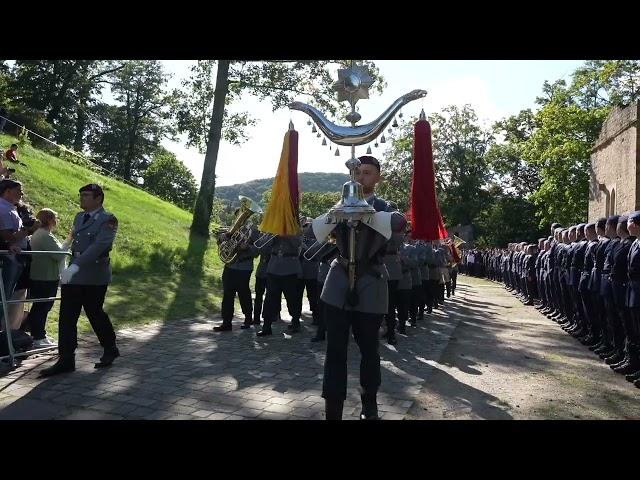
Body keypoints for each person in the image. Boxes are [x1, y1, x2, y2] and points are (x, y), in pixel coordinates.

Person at [321, 155, 406, 420]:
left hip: (371, 281)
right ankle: (332, 408)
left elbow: (397, 231)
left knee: (369, 348)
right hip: (339, 279)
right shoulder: (340, 203)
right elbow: (317, 232)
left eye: (367, 173)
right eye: (358, 173)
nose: (361, 177)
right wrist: (341, 210)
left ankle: (369, 402)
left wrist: (364, 214)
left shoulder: (383, 206)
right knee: (334, 349)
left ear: (377, 177)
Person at [39, 184, 120, 377]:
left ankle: (110, 347)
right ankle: (66, 359)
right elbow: (74, 240)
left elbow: (99, 246)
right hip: (74, 274)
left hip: (94, 274)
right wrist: (69, 265)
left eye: (86, 195)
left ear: (98, 198)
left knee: (94, 313)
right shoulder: (79, 216)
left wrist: (75, 266)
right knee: (67, 316)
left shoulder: (108, 219)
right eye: (81, 195)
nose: (82, 198)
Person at [28, 208, 71, 348]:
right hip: (44, 276)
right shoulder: (45, 235)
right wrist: (70, 240)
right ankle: (37, 337)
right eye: (54, 218)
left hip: (44, 275)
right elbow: (58, 255)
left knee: (42, 306)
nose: (56, 221)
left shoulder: (42, 234)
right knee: (42, 307)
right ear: (49, 219)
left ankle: (40, 334)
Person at [213, 222, 259, 332]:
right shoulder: (232, 228)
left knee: (243, 293)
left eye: (242, 215)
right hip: (230, 265)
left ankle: (248, 318)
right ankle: (226, 322)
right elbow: (221, 243)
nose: (240, 218)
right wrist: (222, 239)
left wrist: (247, 247)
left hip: (244, 267)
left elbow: (257, 250)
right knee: (227, 294)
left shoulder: (253, 230)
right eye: (238, 215)